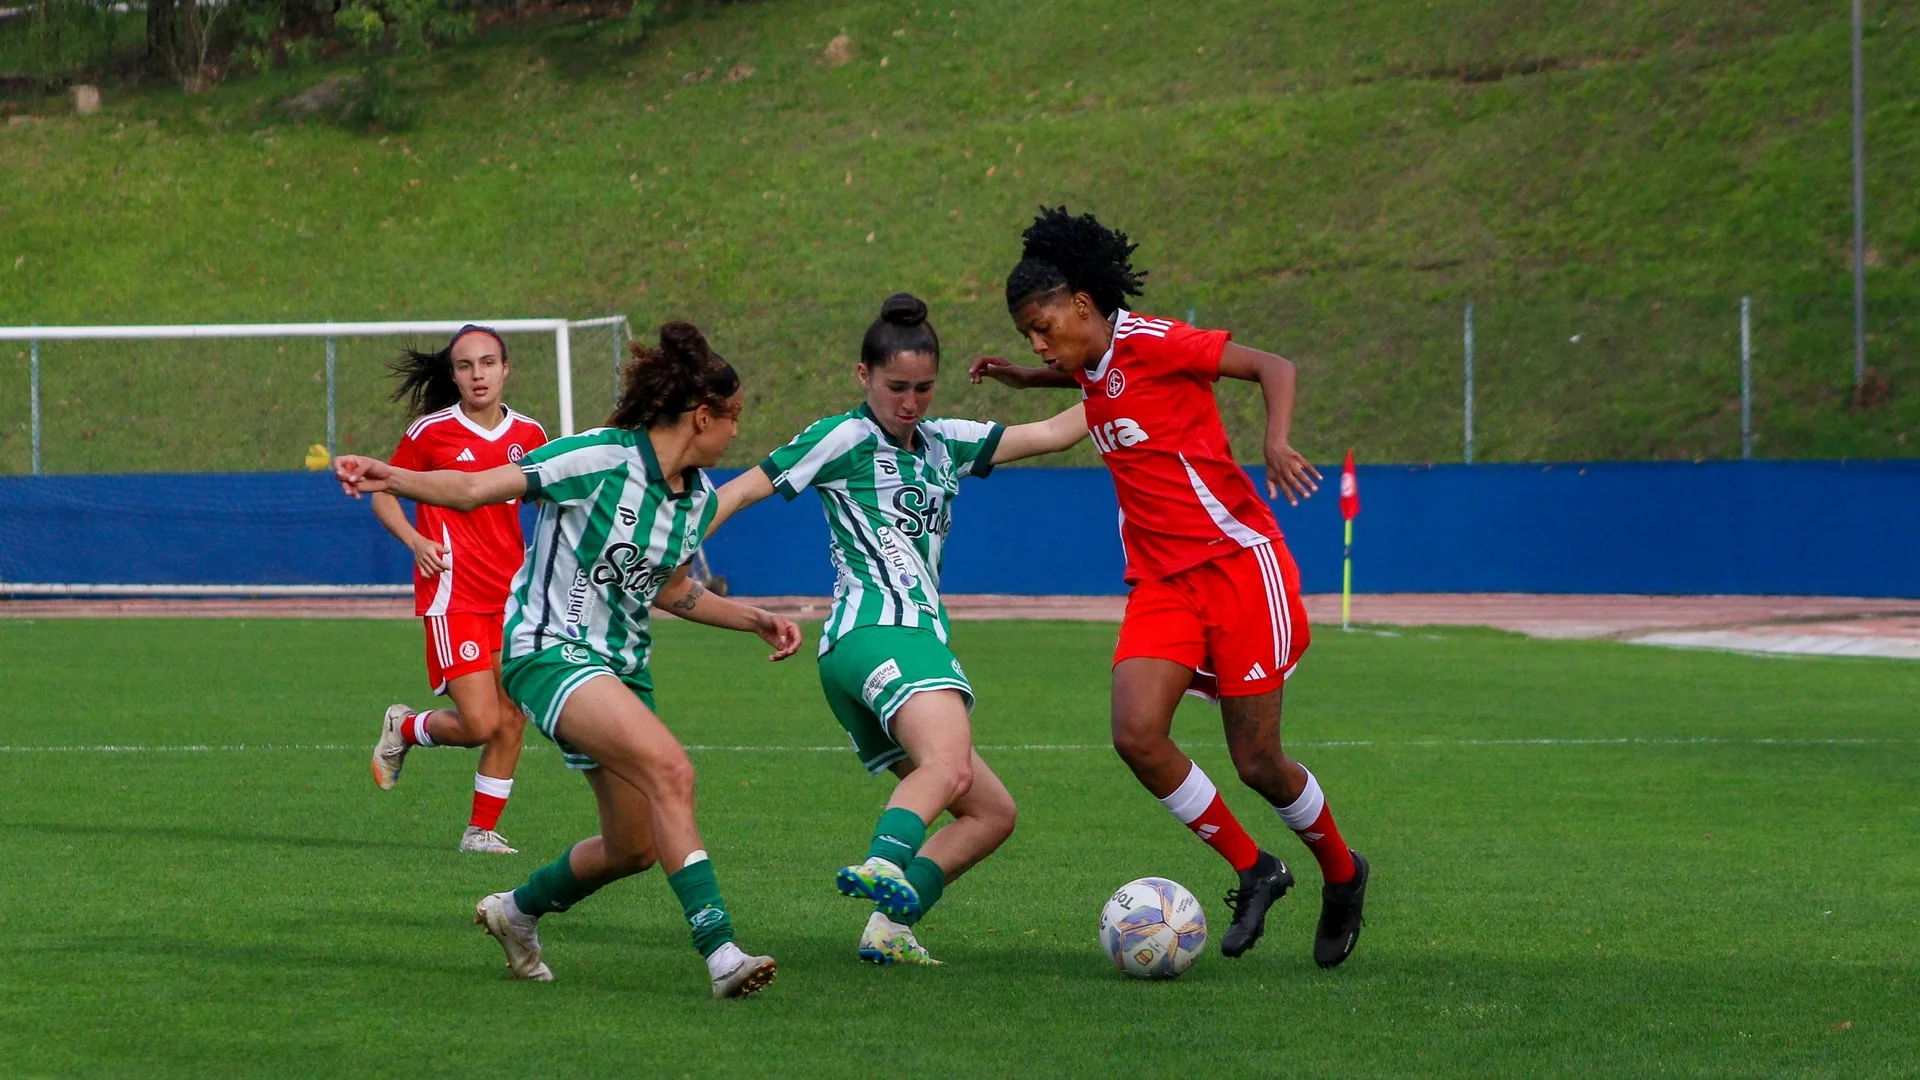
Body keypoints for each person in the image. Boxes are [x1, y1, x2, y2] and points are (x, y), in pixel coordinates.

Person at [334, 322, 800, 999]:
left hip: (620, 671)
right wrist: (391, 475)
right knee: (672, 768)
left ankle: (514, 912)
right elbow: (472, 490)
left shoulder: (693, 498)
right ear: (703, 416)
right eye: (733, 420)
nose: (736, 434)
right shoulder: (598, 458)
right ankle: (720, 949)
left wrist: (752, 619)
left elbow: (672, 589)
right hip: (550, 653)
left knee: (634, 846)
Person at [969, 207, 1369, 968]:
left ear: (1083, 304)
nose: (1038, 341)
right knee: (1135, 735)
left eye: (1042, 326)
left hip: (1236, 568)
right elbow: (1082, 377)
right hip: (1161, 581)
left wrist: (1274, 439)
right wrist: (1025, 375)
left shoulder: (1155, 341)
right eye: (1029, 334)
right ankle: (1256, 870)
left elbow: (1272, 366)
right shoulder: (1085, 362)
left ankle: (1344, 875)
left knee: (1259, 764)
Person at [710, 292, 1087, 966]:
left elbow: (1055, 432)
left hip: (879, 652)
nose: (908, 402)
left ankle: (891, 926)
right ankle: (884, 862)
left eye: (922, 388)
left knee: (990, 812)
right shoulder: (844, 437)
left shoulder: (948, 442)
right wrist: (673, 547)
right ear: (864, 377)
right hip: (879, 632)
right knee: (946, 764)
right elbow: (740, 489)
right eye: (894, 387)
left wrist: (1130, 373)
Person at [368, 325, 547, 855]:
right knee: (479, 723)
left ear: (506, 369)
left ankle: (480, 832)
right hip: (455, 596)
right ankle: (406, 727)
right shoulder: (431, 433)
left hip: (511, 598)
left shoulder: (531, 436)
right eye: (466, 366)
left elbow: (552, 498)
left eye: (488, 363)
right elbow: (382, 491)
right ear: (454, 375)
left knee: (513, 717)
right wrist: (415, 539)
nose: (478, 375)